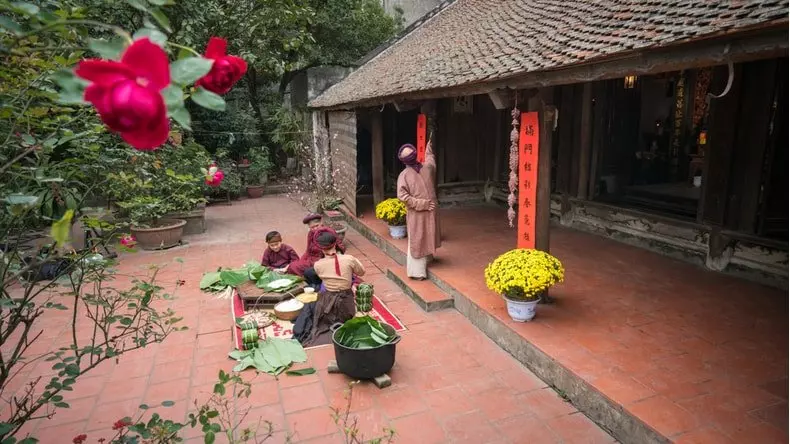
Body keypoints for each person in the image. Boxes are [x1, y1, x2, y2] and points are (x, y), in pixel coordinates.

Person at [301, 231, 365, 347]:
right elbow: (361, 272)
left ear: (321, 249)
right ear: (335, 244)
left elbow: (322, 277)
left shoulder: (318, 265)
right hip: (347, 302)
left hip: (327, 302)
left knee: (312, 307)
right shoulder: (349, 259)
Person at [396, 140, 441, 280]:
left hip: (428, 211)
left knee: (427, 235)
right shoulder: (411, 173)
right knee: (418, 239)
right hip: (418, 212)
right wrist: (422, 204)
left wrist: (429, 148)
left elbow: (430, 159)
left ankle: (428, 258)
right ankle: (416, 271)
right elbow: (402, 196)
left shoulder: (422, 170)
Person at [286, 213, 346, 287]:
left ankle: (314, 283)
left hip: (324, 259)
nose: (314, 229)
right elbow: (308, 251)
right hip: (311, 260)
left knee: (303, 270)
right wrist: (301, 261)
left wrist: (335, 252)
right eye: (312, 227)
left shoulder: (329, 232)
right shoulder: (311, 234)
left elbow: (340, 247)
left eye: (316, 226)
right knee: (293, 266)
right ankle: (309, 282)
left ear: (321, 222)